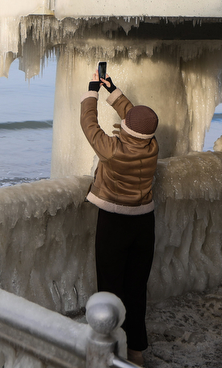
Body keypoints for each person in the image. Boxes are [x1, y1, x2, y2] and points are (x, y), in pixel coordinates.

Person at [80, 71, 159, 367]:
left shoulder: (113, 151)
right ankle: (136, 351)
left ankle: (111, 350)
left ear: (125, 130)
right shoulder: (152, 146)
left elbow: (89, 124)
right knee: (136, 289)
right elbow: (137, 119)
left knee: (110, 288)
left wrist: (92, 91)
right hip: (144, 224)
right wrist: (112, 90)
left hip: (114, 222)